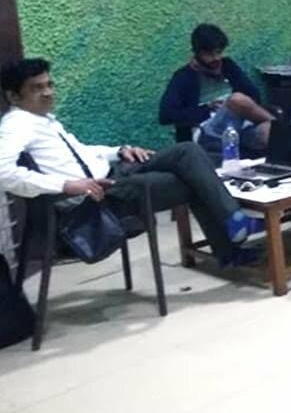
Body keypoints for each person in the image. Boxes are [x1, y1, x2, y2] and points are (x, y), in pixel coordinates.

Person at [0, 58, 261, 268]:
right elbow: (3, 173)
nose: (47, 93)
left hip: (114, 172)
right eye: (36, 88)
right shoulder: (16, 124)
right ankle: (231, 240)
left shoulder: (43, 120)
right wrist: (66, 185)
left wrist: (119, 151)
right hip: (99, 197)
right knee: (191, 181)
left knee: (188, 151)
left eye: (49, 85)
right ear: (13, 96)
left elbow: (82, 153)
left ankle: (233, 223)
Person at [159, 23, 274, 153]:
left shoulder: (228, 66)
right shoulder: (184, 76)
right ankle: (283, 127)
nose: (216, 58)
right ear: (198, 53)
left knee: (268, 130)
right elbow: (166, 115)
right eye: (209, 54)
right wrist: (208, 108)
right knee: (236, 100)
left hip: (241, 127)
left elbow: (254, 97)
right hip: (208, 133)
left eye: (219, 52)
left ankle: (282, 130)